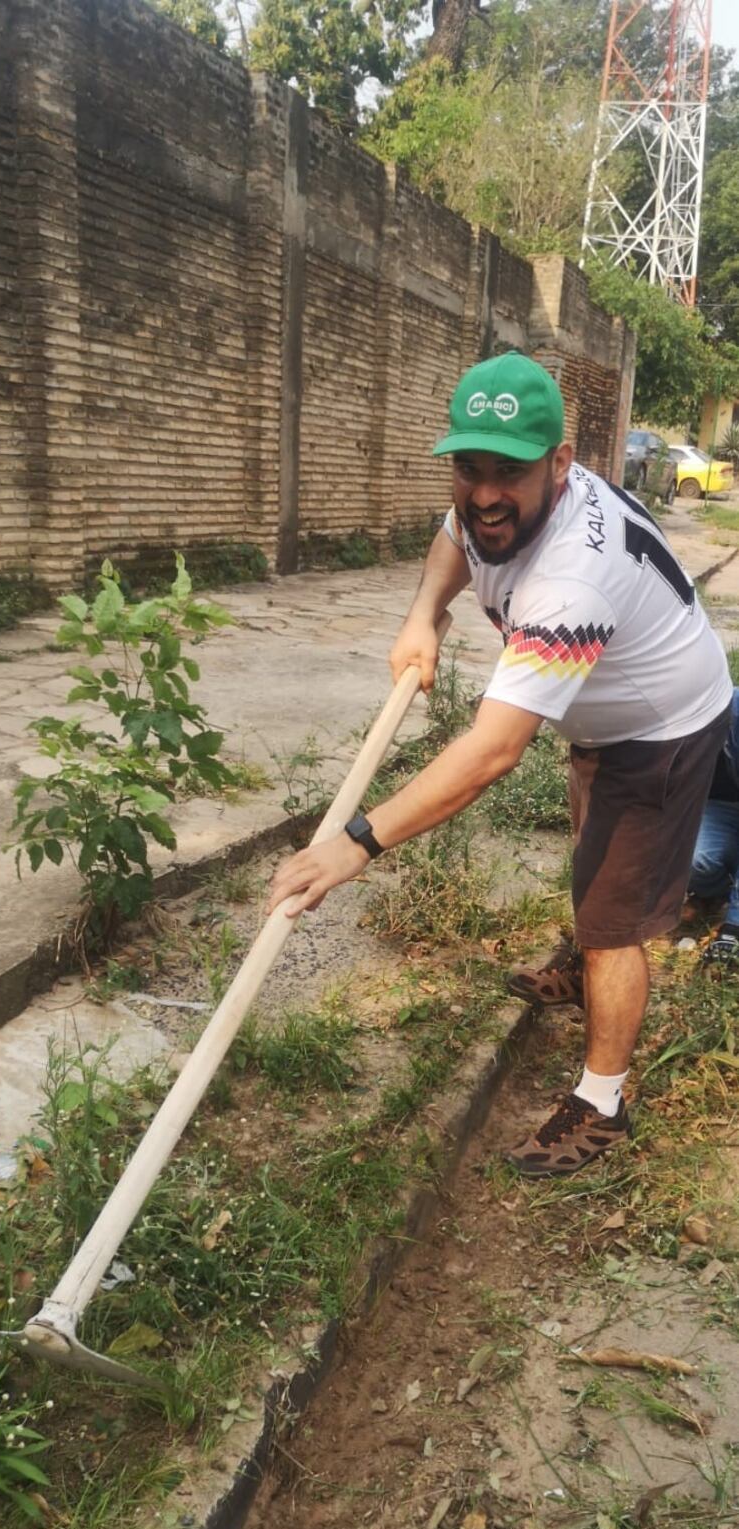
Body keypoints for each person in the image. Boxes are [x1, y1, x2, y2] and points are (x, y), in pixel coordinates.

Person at [268, 353, 732, 1177]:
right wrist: (422, 613)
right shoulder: (499, 512)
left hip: (660, 729)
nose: (485, 493)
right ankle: (585, 963)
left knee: (615, 920)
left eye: (508, 472)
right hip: (604, 715)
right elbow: (454, 538)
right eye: (468, 467)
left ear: (560, 462)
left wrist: (354, 843)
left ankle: (602, 1102)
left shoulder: (571, 582)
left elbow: (491, 752)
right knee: (592, 850)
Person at [688, 685, 739, 965]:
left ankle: (732, 919)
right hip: (719, 804)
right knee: (695, 862)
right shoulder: (715, 708)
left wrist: (732, 928)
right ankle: (719, 891)